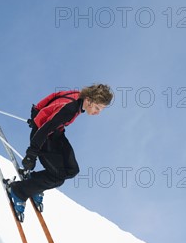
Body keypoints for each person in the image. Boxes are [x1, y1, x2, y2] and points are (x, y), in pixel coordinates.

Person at [7, 84, 114, 220]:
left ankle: (34, 182)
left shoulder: (77, 95)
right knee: (58, 177)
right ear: (88, 100)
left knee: (72, 170)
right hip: (43, 137)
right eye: (97, 108)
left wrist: (37, 112)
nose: (97, 112)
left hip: (56, 134)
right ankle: (18, 191)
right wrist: (32, 154)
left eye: (101, 109)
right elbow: (45, 129)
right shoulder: (70, 109)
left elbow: (54, 96)